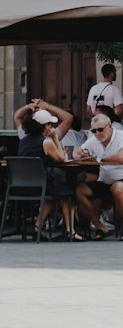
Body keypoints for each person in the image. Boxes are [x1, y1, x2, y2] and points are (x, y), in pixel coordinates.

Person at [16, 102, 81, 240]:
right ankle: (71, 231)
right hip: (41, 184)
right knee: (68, 193)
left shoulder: (23, 141)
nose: (51, 127)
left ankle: (38, 226)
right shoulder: (46, 142)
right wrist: (55, 138)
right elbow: (61, 158)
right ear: (44, 126)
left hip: (21, 186)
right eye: (50, 125)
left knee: (54, 194)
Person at [74, 112, 123, 241]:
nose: (97, 133)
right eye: (94, 131)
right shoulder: (95, 139)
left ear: (109, 126)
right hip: (105, 180)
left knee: (117, 188)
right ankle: (100, 226)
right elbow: (75, 153)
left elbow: (121, 157)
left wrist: (99, 158)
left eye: (100, 129)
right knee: (78, 190)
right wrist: (82, 155)